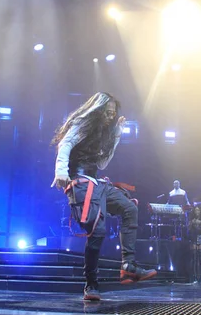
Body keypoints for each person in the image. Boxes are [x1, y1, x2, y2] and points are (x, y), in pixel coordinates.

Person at [51, 92, 156, 301]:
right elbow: (66, 144)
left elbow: (102, 164)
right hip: (80, 181)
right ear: (98, 109)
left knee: (130, 208)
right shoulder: (83, 123)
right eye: (107, 113)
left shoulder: (103, 133)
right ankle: (91, 284)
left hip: (96, 181)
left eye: (113, 114)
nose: (110, 117)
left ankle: (128, 266)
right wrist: (61, 171)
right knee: (97, 230)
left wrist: (116, 133)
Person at [188, 206, 201, 284]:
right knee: (194, 258)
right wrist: (192, 222)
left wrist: (200, 222)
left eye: (198, 210)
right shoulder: (192, 220)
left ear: (200, 211)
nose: (197, 211)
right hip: (194, 238)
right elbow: (189, 229)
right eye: (196, 210)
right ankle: (194, 278)